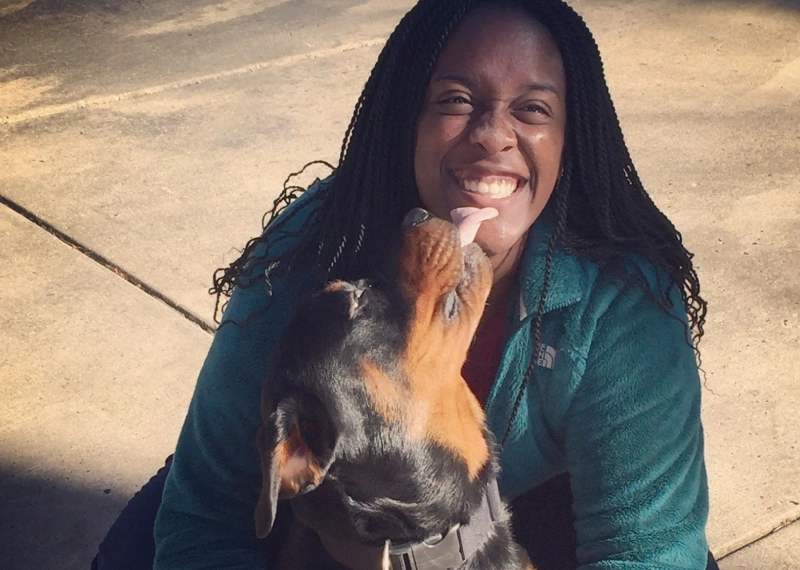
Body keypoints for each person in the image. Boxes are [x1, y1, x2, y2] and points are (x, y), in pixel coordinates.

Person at [92, 0, 719, 568]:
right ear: (406, 118)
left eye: (533, 109)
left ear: (569, 139)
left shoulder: (621, 299)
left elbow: (648, 550)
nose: (493, 134)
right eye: (454, 99)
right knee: (129, 557)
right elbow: (205, 518)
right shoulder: (317, 246)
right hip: (331, 508)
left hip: (539, 502)